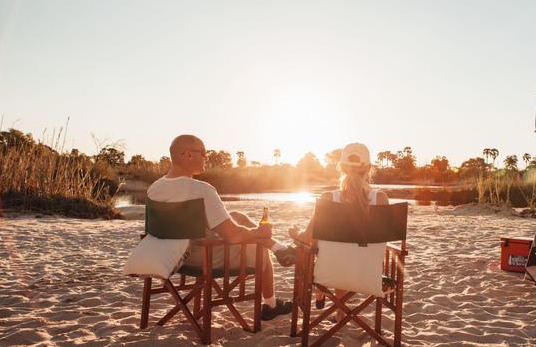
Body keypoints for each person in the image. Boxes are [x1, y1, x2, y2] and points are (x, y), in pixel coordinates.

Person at [147, 134, 295, 320]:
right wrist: (258, 233)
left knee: (237, 217)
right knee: (260, 247)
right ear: (187, 154)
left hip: (171, 256)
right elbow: (233, 236)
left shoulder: (155, 188)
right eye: (203, 153)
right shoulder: (202, 190)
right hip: (203, 257)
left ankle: (276, 246)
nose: (206, 157)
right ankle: (271, 303)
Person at [289, 142, 389, 321]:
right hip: (369, 275)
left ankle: (321, 291)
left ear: (341, 167)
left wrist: (295, 234)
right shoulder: (381, 199)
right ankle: (340, 312)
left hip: (330, 273)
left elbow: (308, 239)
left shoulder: (328, 199)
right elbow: (383, 240)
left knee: (324, 248)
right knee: (350, 250)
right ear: (369, 168)